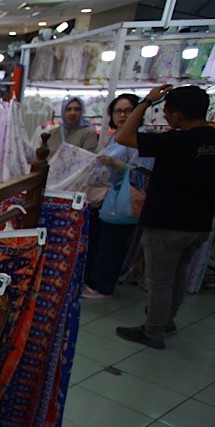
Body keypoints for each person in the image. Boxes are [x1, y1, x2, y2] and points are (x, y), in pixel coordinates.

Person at [114, 85, 215, 349]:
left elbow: (124, 137)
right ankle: (167, 320)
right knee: (179, 274)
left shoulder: (175, 140)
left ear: (177, 115)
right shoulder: (213, 140)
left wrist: (147, 101)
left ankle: (153, 330)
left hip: (167, 222)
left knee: (159, 279)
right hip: (200, 223)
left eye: (167, 111)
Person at [83, 94, 153, 299]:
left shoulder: (141, 138)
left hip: (124, 198)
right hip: (104, 198)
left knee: (112, 244)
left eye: (128, 111)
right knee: (98, 241)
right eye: (118, 111)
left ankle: (103, 285)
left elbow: (143, 173)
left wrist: (114, 164)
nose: (122, 115)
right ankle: (94, 280)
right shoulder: (114, 138)